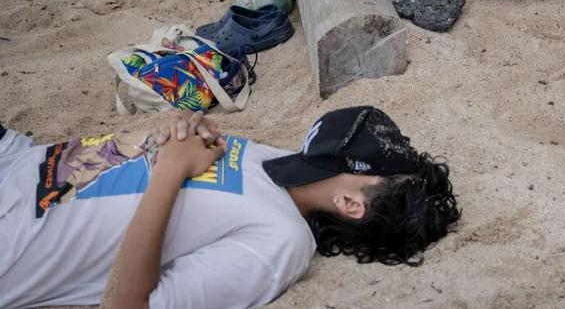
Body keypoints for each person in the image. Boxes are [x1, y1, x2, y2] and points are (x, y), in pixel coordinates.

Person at [0, 106, 460, 308]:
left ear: (349, 203)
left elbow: (127, 305)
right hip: (16, 156)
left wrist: (168, 173)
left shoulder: (280, 241)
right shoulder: (274, 160)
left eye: (380, 168)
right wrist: (182, 127)